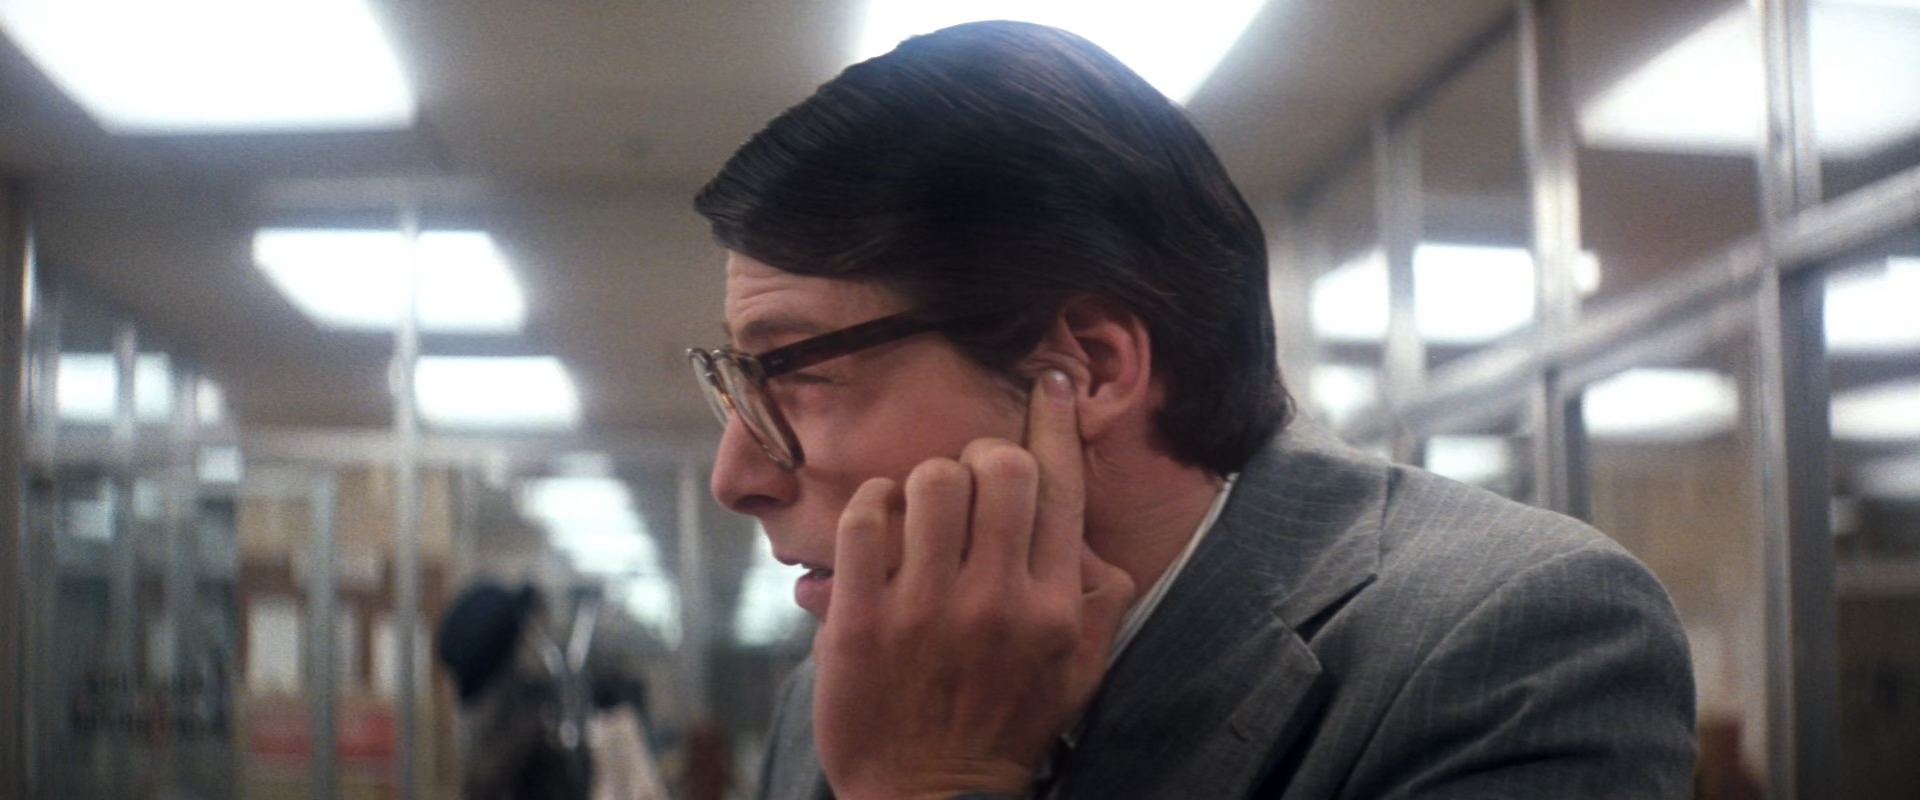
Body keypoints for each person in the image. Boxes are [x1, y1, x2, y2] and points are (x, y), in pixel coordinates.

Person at [687, 20, 1696, 800]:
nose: (737, 476)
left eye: (795, 370)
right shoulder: (849, 686)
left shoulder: (1517, 640)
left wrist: (937, 784)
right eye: (737, 380)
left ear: (1087, 368)